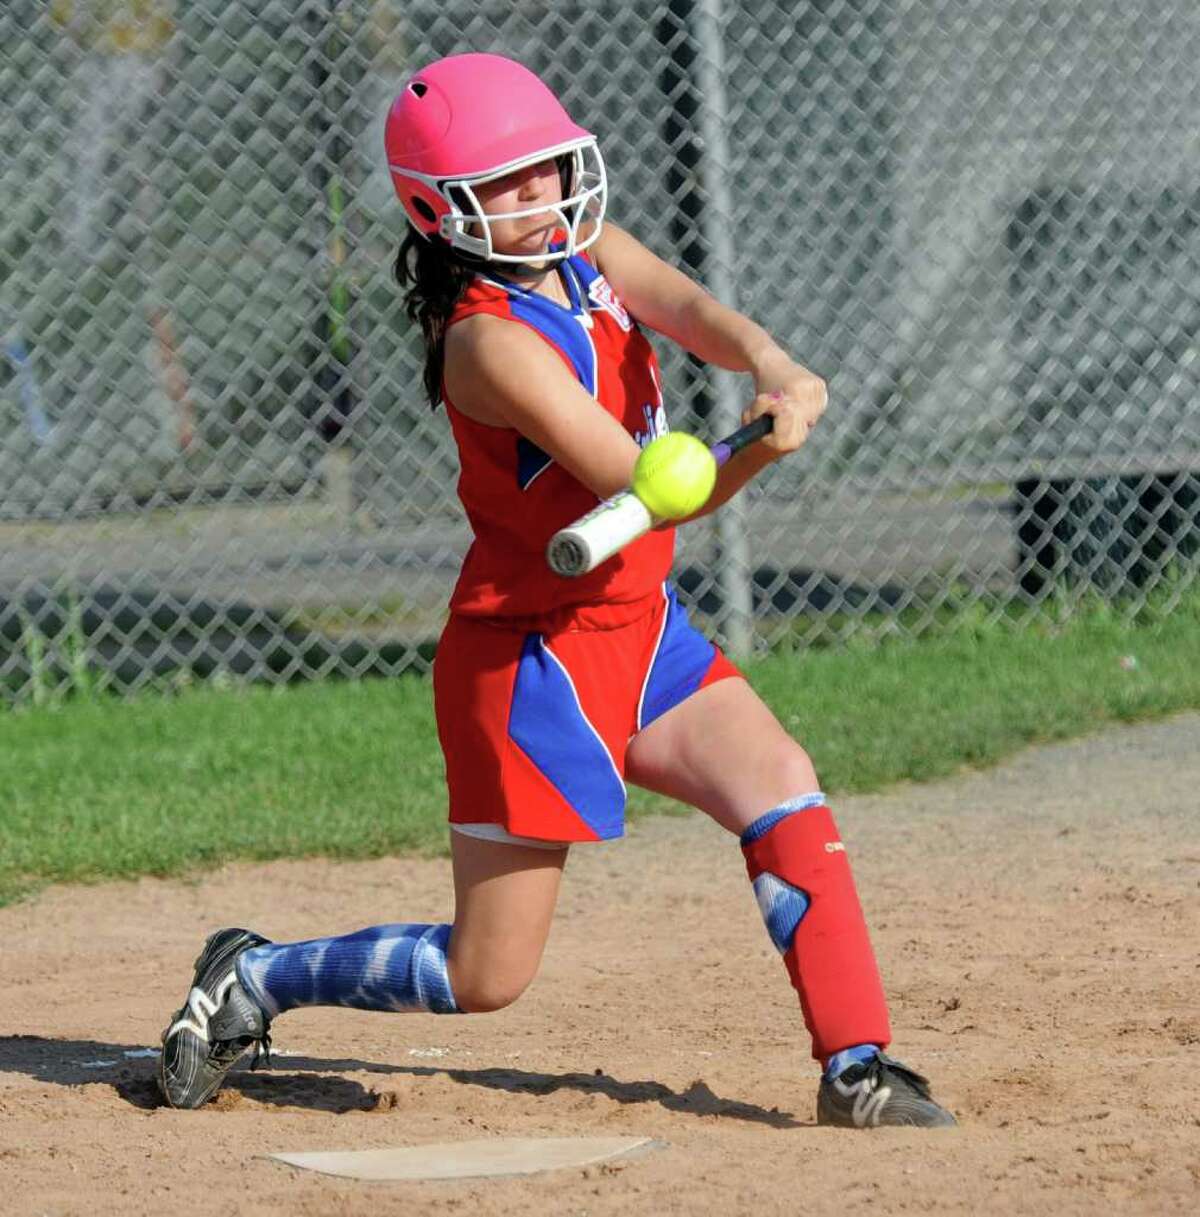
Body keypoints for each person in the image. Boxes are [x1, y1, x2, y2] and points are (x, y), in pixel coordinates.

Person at [157, 51, 955, 1129]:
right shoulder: (488, 343)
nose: (542, 197)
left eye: (547, 170)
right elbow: (650, 487)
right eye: (508, 185)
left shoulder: (584, 253)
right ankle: (252, 978)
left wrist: (768, 358)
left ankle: (858, 1063)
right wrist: (763, 447)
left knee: (781, 783)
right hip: (532, 663)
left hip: (640, 627)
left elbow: (682, 304)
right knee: (486, 974)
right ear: (442, 210)